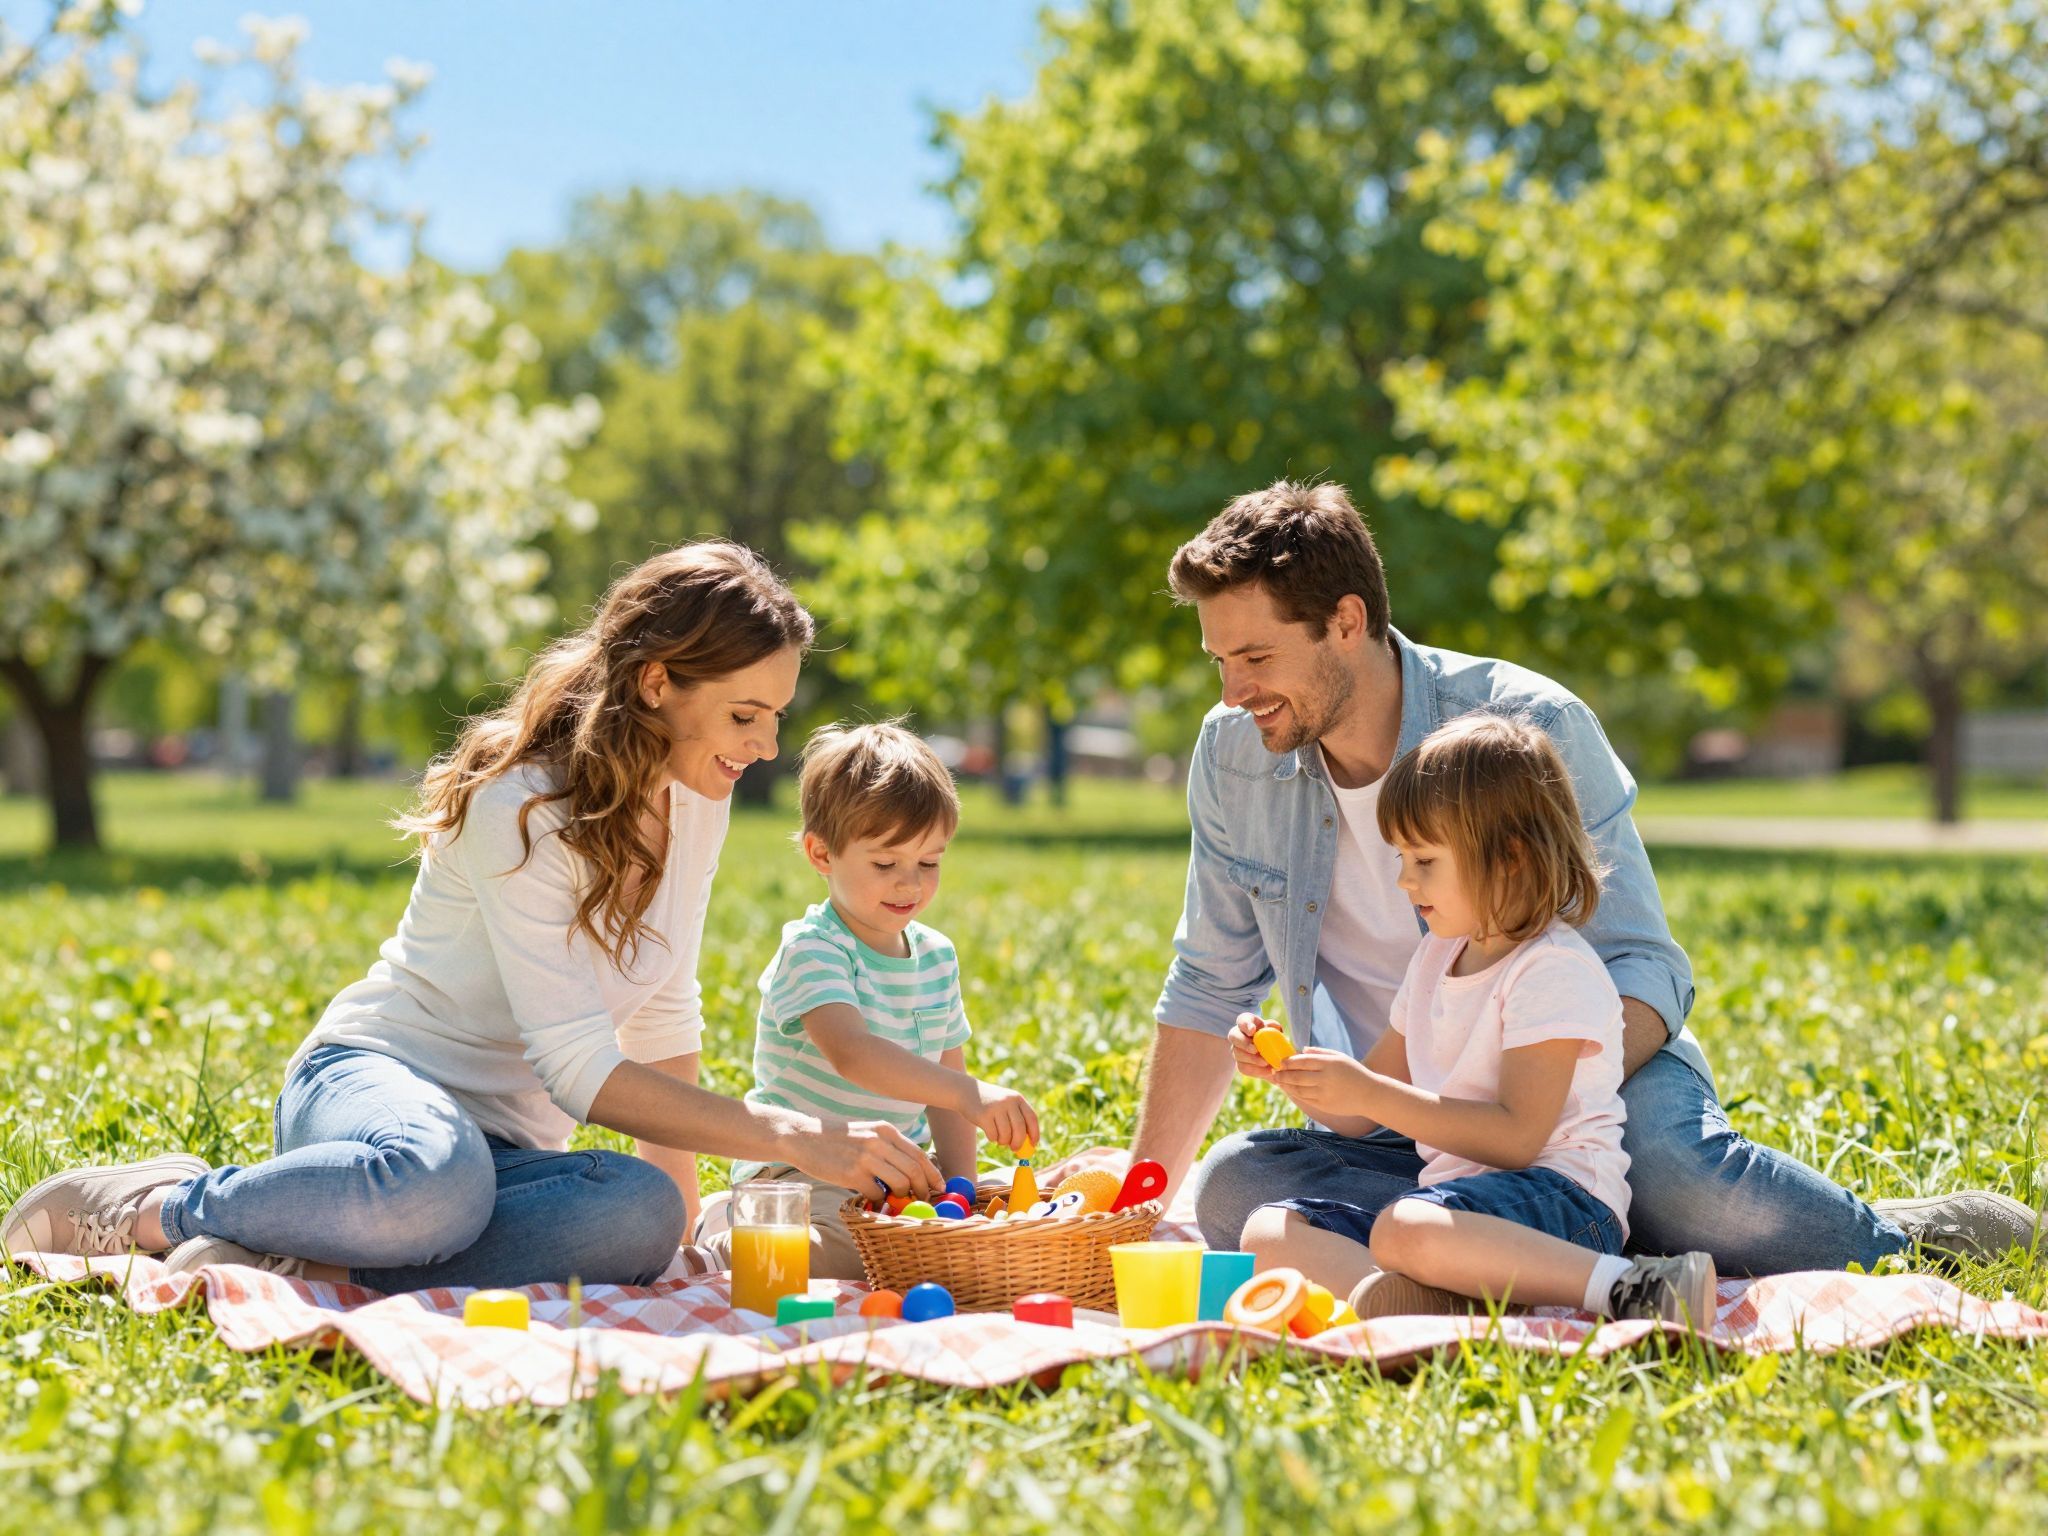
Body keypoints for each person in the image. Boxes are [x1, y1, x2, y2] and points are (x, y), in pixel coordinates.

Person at [1133, 479, 2037, 1275]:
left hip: (1579, 1093)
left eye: (1255, 659)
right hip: (1404, 1112)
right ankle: (1558, 1246)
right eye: (1220, 662)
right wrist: (1142, 1198)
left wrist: (1521, 1114)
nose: (1231, 693)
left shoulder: (1527, 725)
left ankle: (1902, 1243)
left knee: (1675, 1176)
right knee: (1233, 1189)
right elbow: (1210, 982)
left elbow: (1647, 968)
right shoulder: (1233, 758)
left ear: (1346, 621)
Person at [2, 543, 946, 1290]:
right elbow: (579, 1069)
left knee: (643, 1217)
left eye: (776, 716)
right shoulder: (524, 805)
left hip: (502, 1160)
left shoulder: (698, 792)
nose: (768, 745)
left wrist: (685, 1237)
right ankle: (168, 1207)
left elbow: (662, 1011)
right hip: (375, 1092)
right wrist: (792, 1134)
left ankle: (301, 1250)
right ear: (659, 683)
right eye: (746, 715)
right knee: (432, 1179)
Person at [1238, 713, 1716, 1324]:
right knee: (1269, 1231)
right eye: (1401, 857)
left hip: (1565, 1205)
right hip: (1454, 1208)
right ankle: (1425, 1309)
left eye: (1424, 860)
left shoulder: (1551, 969)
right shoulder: (1438, 956)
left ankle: (1634, 1287)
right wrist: (1289, 1070)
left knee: (1405, 1228)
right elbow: (1358, 1115)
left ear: (1509, 856)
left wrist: (1371, 1091)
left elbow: (1517, 1139)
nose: (1405, 880)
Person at [694, 722, 1040, 1279]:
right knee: (862, 1255)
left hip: (895, 1169)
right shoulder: (813, 948)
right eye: (886, 864)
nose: (910, 884)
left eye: (929, 863)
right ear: (822, 853)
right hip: (801, 1170)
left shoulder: (935, 955)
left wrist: (963, 1193)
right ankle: (725, 1240)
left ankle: (750, 1225)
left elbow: (945, 1085)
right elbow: (853, 1053)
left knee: (969, 1234)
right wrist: (969, 1093)